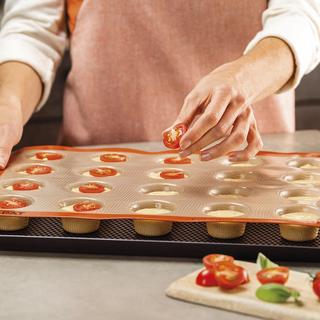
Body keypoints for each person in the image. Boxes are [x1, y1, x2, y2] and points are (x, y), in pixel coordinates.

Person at [0, 0, 319, 169]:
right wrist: (8, 101)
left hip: (246, 162)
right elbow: (32, 31)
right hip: (100, 170)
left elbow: (303, 18)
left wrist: (243, 78)